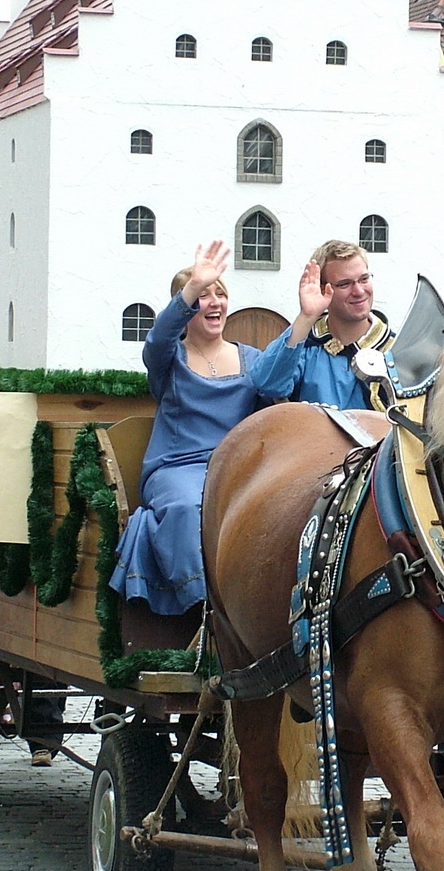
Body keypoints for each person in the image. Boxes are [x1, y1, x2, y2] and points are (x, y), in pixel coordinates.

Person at [110, 240, 267, 617]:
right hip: (176, 468)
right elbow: (157, 339)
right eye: (203, 296)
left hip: (233, 467)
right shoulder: (169, 359)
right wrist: (192, 286)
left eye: (220, 294)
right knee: (186, 507)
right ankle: (204, 610)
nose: (214, 302)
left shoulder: (253, 359)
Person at [252, 239, 395, 412]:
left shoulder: (395, 351)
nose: (358, 291)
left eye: (364, 279)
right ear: (322, 288)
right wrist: (307, 317)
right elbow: (268, 384)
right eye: (345, 284)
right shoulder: (307, 347)